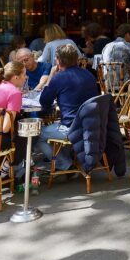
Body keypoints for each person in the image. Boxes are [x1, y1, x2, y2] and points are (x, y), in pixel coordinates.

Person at [35, 43, 100, 171]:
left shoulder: (59, 77)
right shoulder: (89, 75)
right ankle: (70, 161)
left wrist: (51, 77)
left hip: (72, 128)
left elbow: (44, 101)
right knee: (57, 126)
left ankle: (65, 164)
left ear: (58, 60)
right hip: (93, 125)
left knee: (37, 134)